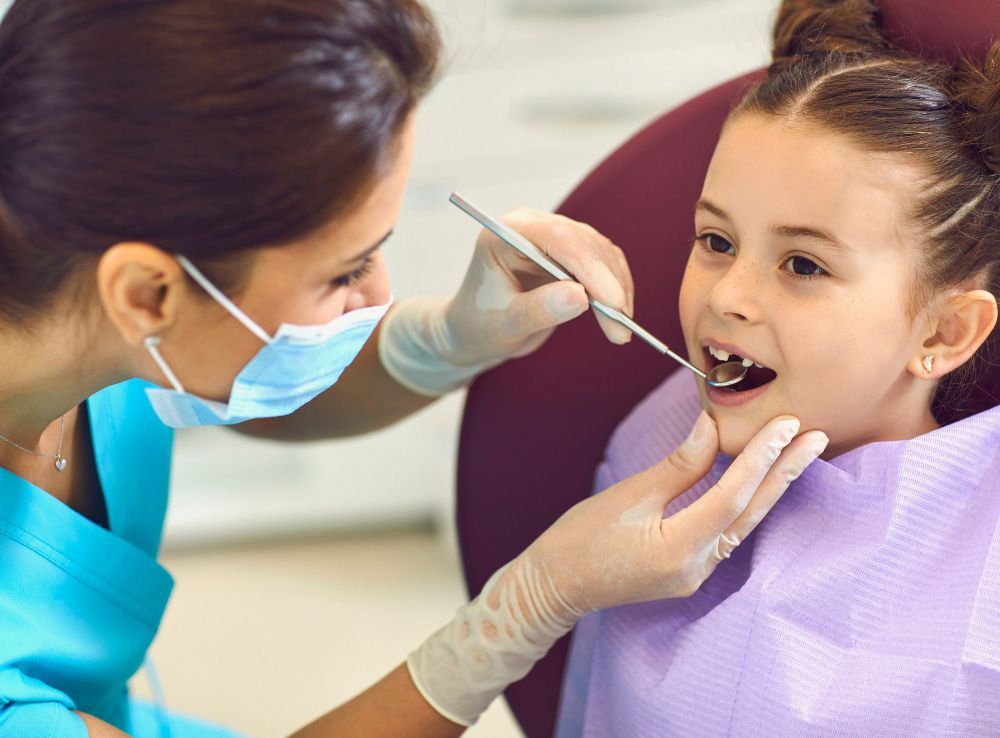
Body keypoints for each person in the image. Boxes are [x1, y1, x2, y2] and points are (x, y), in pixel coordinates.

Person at [0, 1, 832, 736]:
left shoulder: (66, 271)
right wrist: (524, 609)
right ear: (148, 294)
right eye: (343, 272)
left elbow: (229, 387)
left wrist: (446, 340)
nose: (381, 297)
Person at [555, 0, 1000, 735]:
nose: (726, 297)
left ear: (948, 331)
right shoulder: (653, 443)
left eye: (802, 264)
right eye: (716, 241)